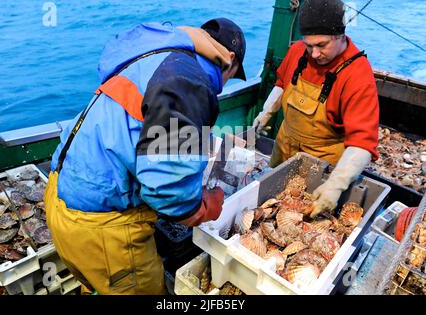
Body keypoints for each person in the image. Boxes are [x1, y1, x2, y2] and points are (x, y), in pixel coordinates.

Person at [44, 18, 246, 294]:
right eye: (231, 77)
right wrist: (204, 207)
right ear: (230, 60)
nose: (223, 86)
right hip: (100, 228)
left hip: (60, 199)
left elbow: (142, 123)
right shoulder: (189, 81)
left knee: (98, 286)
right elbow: (168, 191)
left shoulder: (154, 56)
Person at [252, 0, 379, 218]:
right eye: (309, 45)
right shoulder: (298, 51)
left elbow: (362, 143)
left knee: (307, 219)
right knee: (267, 208)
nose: (314, 54)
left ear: (341, 35)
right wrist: (267, 112)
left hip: (321, 164)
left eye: (321, 45)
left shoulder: (358, 75)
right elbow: (282, 82)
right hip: (284, 147)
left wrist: (335, 186)